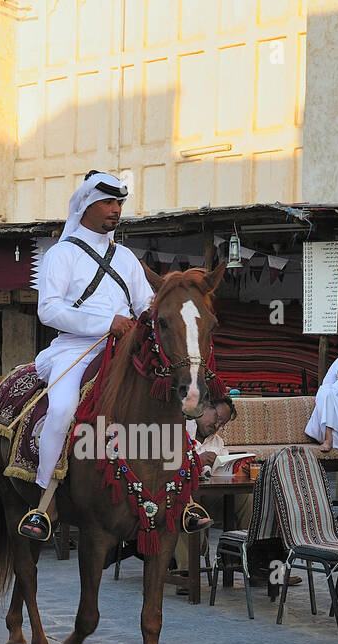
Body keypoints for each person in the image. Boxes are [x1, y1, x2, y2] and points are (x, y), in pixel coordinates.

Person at [21, 170, 209, 541]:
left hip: (129, 346)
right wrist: (106, 322)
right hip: (75, 347)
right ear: (87, 206)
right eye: (108, 202)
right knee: (61, 409)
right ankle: (45, 501)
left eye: (120, 203)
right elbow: (49, 310)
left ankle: (182, 496)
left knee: (179, 403)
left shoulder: (125, 256)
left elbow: (144, 304)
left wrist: (151, 314)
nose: (116, 210)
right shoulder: (61, 254)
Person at [171, 395, 253, 574]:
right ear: (205, 407)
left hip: (208, 496)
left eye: (221, 424)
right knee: (182, 499)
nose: (217, 426)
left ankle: (244, 561)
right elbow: (164, 464)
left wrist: (237, 470)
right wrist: (196, 460)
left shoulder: (217, 442)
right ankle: (187, 572)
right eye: (217, 419)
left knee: (246, 498)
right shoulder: (178, 428)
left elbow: (223, 471)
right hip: (181, 495)